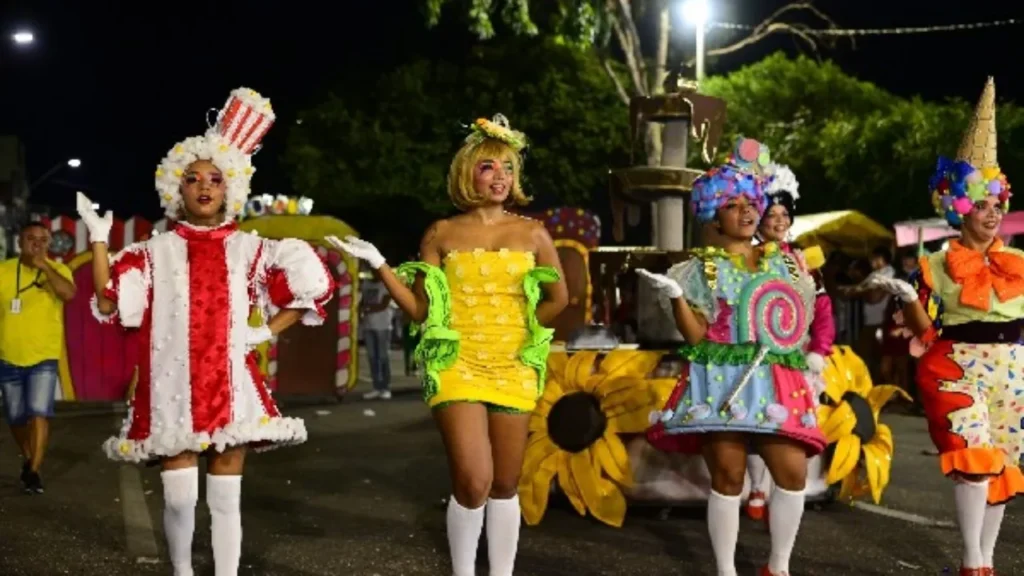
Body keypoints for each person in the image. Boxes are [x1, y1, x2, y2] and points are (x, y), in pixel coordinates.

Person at [76, 87, 334, 576]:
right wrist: (97, 240)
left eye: (215, 179)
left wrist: (265, 333)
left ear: (229, 188)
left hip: (231, 386)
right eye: (193, 178)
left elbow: (308, 286)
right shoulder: (153, 251)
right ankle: (181, 570)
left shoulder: (250, 249)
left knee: (225, 500)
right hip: (170, 387)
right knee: (178, 499)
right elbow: (111, 298)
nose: (204, 187)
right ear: (178, 188)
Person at [327, 114, 568, 576]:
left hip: (513, 364)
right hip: (456, 363)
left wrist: (522, 332)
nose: (500, 177)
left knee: (504, 482)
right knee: (474, 481)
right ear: (467, 173)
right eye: (488, 168)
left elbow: (559, 299)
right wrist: (379, 264)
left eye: (508, 168)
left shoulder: (532, 233)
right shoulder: (441, 233)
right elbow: (420, 311)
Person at [641, 137, 824, 576]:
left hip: (775, 376)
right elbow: (698, 336)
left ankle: (777, 567)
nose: (746, 212)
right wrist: (677, 299)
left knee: (793, 472)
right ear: (713, 214)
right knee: (728, 477)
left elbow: (799, 322)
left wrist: (803, 287)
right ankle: (726, 570)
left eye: (750, 203)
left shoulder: (783, 260)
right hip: (720, 375)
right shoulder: (695, 269)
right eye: (732, 204)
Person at [869, 78, 1020, 576]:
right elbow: (923, 329)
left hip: (1013, 369)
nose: (993, 212)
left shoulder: (1019, 260)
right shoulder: (934, 263)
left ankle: (988, 559)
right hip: (956, 365)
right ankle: (972, 560)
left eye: (997, 202)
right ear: (959, 207)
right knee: (973, 459)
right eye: (982, 204)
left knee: (1001, 468)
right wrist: (909, 297)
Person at [744, 162, 835, 522]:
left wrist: (818, 351)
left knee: (789, 430)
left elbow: (824, 313)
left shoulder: (806, 261)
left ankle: (782, 494)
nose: (779, 221)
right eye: (772, 214)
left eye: (785, 214)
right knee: (756, 424)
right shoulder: (745, 258)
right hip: (754, 357)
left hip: (796, 359)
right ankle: (756, 487)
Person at [0, 222, 76, 494]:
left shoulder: (59, 270)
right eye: (31, 239)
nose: (37, 244)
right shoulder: (4, 271)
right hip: (8, 355)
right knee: (16, 417)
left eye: (43, 240)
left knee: (39, 413)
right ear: (20, 242)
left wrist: (45, 266)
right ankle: (30, 458)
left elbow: (68, 294)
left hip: (43, 355)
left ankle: (33, 472)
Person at [360, 268, 396, 399]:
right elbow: (362, 301)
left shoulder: (386, 285)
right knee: (372, 358)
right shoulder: (366, 284)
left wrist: (366, 308)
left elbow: (383, 305)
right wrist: (361, 310)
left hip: (383, 326)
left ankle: (386, 387)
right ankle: (376, 387)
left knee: (383, 357)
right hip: (368, 325)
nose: (374, 273)